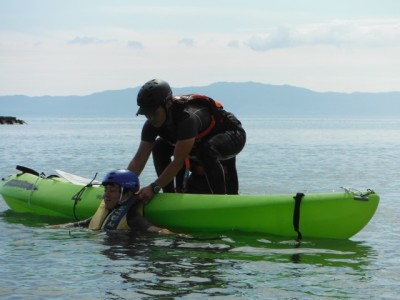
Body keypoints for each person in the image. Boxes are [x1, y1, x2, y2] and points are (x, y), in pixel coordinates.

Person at [127, 79, 246, 204]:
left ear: (167, 104)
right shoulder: (151, 124)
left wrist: (153, 187)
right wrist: (122, 184)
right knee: (158, 147)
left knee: (207, 151)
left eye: (154, 113)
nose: (151, 118)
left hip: (231, 134)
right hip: (199, 142)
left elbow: (178, 161)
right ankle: (168, 198)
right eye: (146, 114)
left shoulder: (187, 119)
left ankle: (220, 201)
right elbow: (139, 159)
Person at [49, 169, 173, 233]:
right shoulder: (109, 212)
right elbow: (81, 224)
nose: (106, 195)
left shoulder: (132, 217)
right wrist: (52, 228)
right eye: (106, 190)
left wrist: (178, 236)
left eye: (112, 191)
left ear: (127, 194)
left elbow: (156, 230)